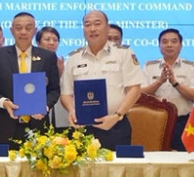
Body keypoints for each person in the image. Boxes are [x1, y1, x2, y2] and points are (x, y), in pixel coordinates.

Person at [60, 10, 144, 150]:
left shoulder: (124, 53)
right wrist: (70, 110)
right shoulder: (74, 58)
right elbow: (66, 93)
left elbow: (135, 89)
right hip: (82, 129)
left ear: (108, 27)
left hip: (116, 126)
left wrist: (117, 115)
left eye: (97, 24)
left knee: (116, 171)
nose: (92, 29)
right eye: (87, 25)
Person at [0, 13, 60, 147]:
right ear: (12, 30)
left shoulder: (48, 57)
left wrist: (44, 106)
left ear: (35, 30)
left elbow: (54, 90)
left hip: (38, 128)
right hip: (6, 127)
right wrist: (4, 102)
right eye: (18, 28)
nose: (23, 32)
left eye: (28, 28)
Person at [141, 28, 194, 151]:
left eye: (174, 41)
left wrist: (175, 83)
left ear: (181, 46)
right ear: (159, 46)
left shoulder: (191, 67)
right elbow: (140, 95)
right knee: (156, 162)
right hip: (155, 123)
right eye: (165, 42)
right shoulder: (149, 66)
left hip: (182, 124)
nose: (169, 45)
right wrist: (159, 81)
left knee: (185, 164)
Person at [35, 26, 68, 128]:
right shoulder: (32, 63)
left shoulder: (64, 63)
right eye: (47, 39)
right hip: (38, 113)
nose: (52, 43)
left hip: (61, 113)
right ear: (38, 42)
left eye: (55, 40)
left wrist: (61, 73)